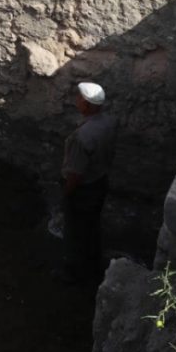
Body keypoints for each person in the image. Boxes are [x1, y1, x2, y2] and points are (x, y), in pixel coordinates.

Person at [59, 82, 117, 284]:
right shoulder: (109, 122)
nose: (77, 101)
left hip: (83, 191)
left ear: (87, 105)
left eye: (79, 99)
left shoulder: (82, 137)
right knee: (91, 227)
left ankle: (74, 273)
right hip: (100, 182)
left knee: (75, 231)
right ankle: (93, 263)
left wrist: (66, 194)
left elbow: (75, 173)